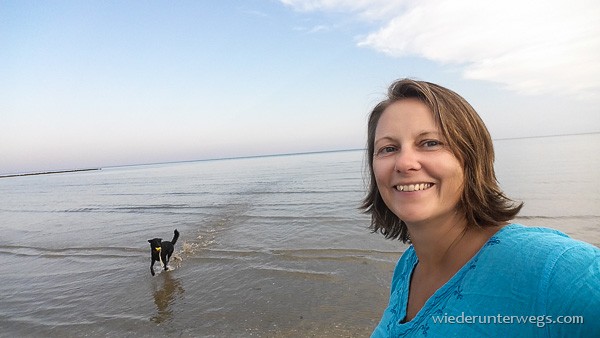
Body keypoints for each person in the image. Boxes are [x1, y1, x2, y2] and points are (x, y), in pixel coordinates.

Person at [362, 79, 600, 337]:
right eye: (388, 148)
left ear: (472, 156)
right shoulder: (409, 266)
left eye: (430, 142)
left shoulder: (550, 268)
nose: (405, 162)